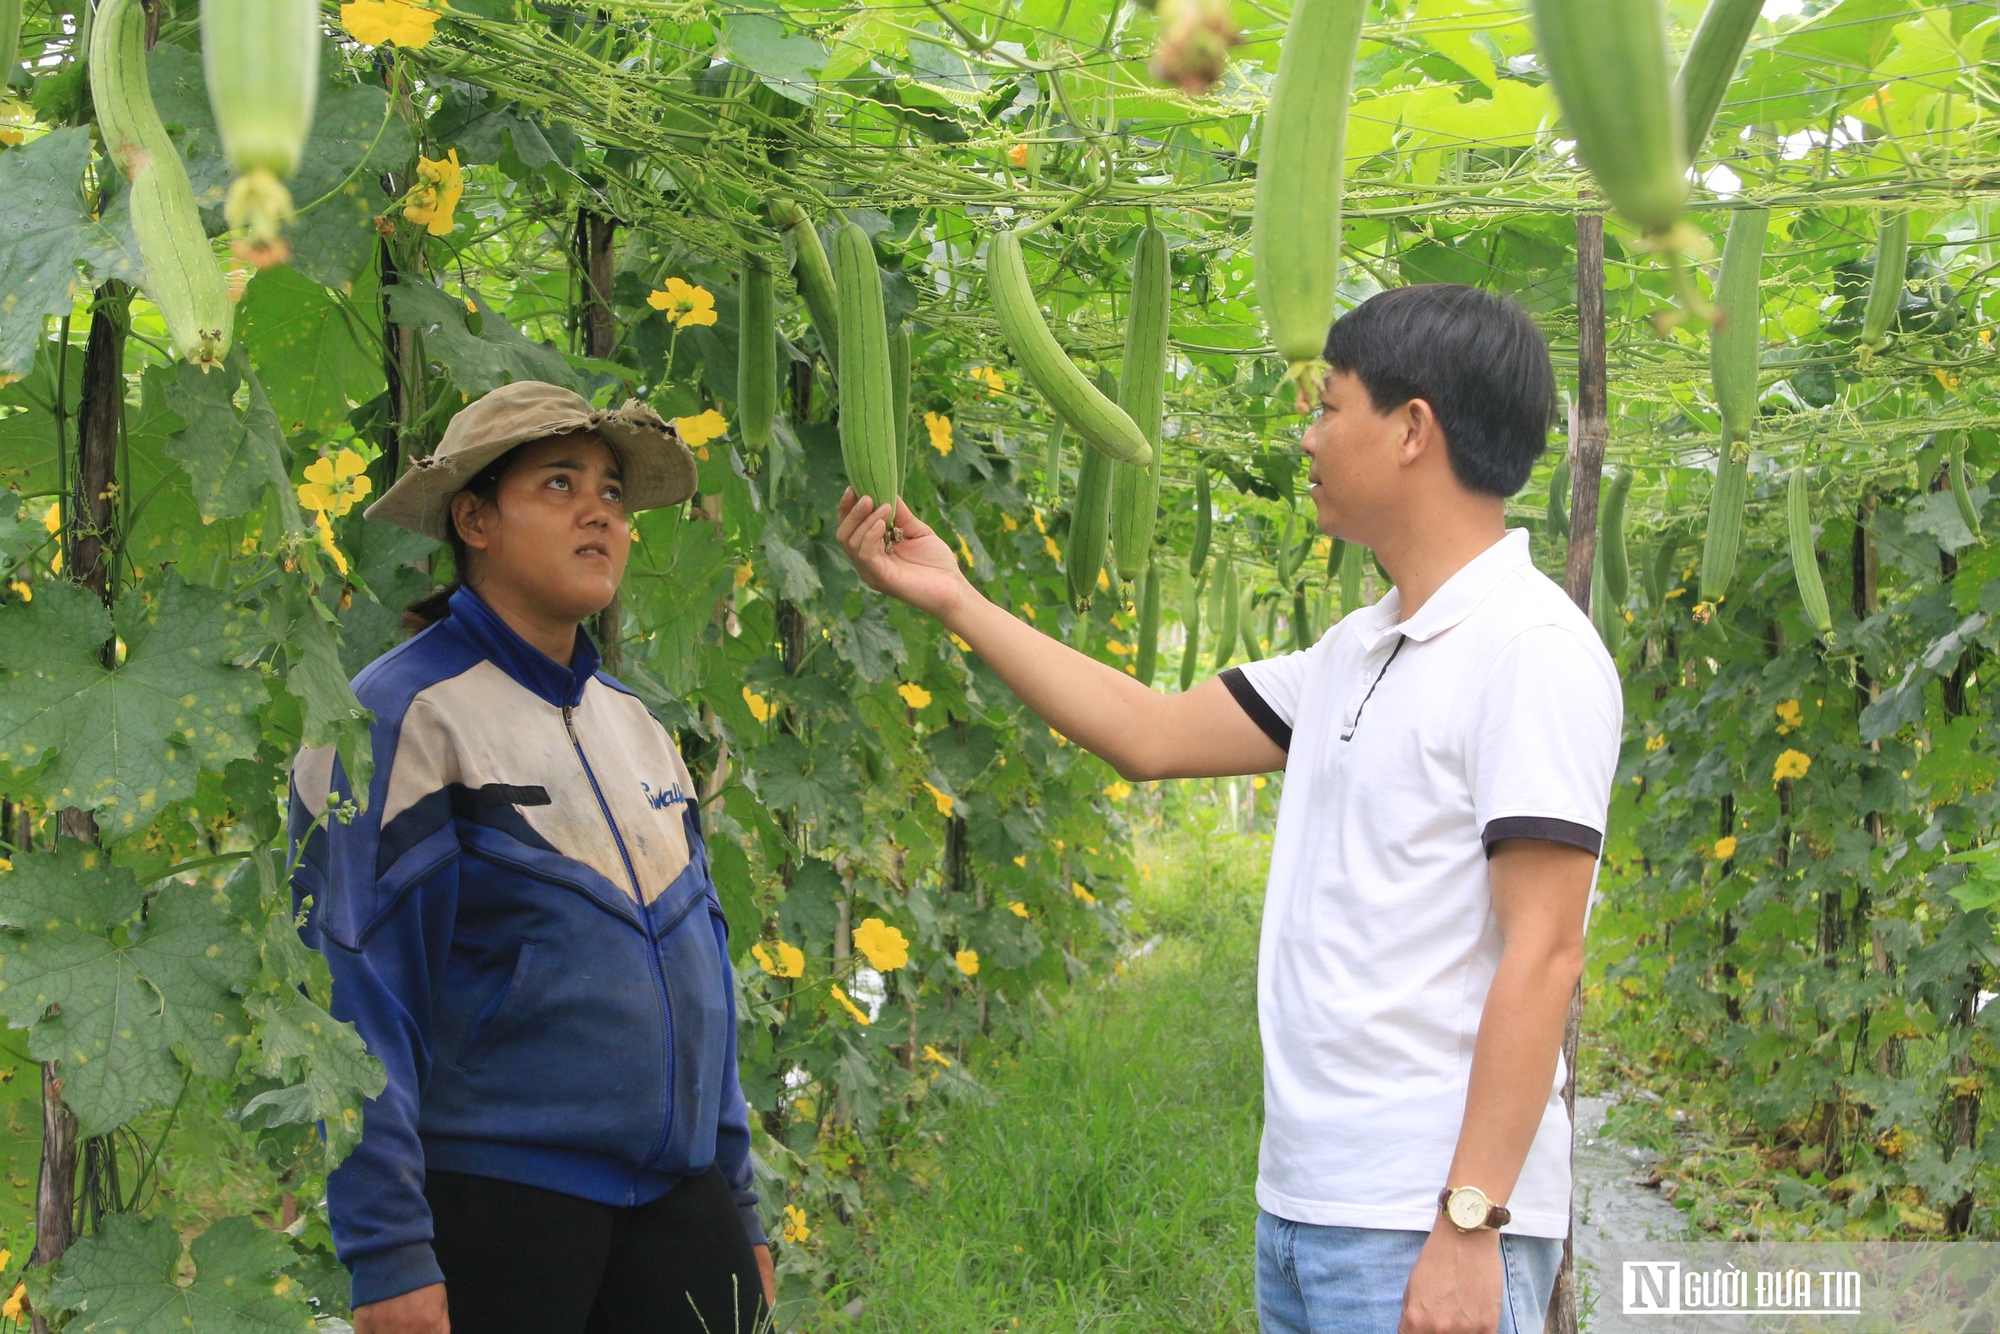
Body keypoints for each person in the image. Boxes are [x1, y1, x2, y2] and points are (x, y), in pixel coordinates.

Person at [836, 285, 1621, 1334]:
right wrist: (955, 598)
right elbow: (1150, 732)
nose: (1307, 437)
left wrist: (1469, 1220)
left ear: (1410, 430)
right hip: (1308, 1208)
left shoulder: (1529, 649)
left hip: (1419, 1220)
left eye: (1327, 406)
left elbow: (1545, 951)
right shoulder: (1357, 651)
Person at [288, 381, 774, 1334]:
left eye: (613, 493)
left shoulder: (637, 727)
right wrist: (388, 1253)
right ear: (474, 519)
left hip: (680, 1201)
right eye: (560, 483)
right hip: (498, 1204)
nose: (600, 512)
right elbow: (354, 990)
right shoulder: (393, 717)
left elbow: (703, 980)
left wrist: (738, 1200)